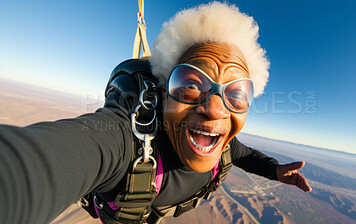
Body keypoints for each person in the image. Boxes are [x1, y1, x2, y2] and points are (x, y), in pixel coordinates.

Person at [0, 2, 311, 224]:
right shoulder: (128, 140)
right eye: (190, 84)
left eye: (237, 94)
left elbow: (242, 154)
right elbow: (41, 164)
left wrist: (273, 170)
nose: (215, 108)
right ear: (163, 93)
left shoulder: (224, 144)